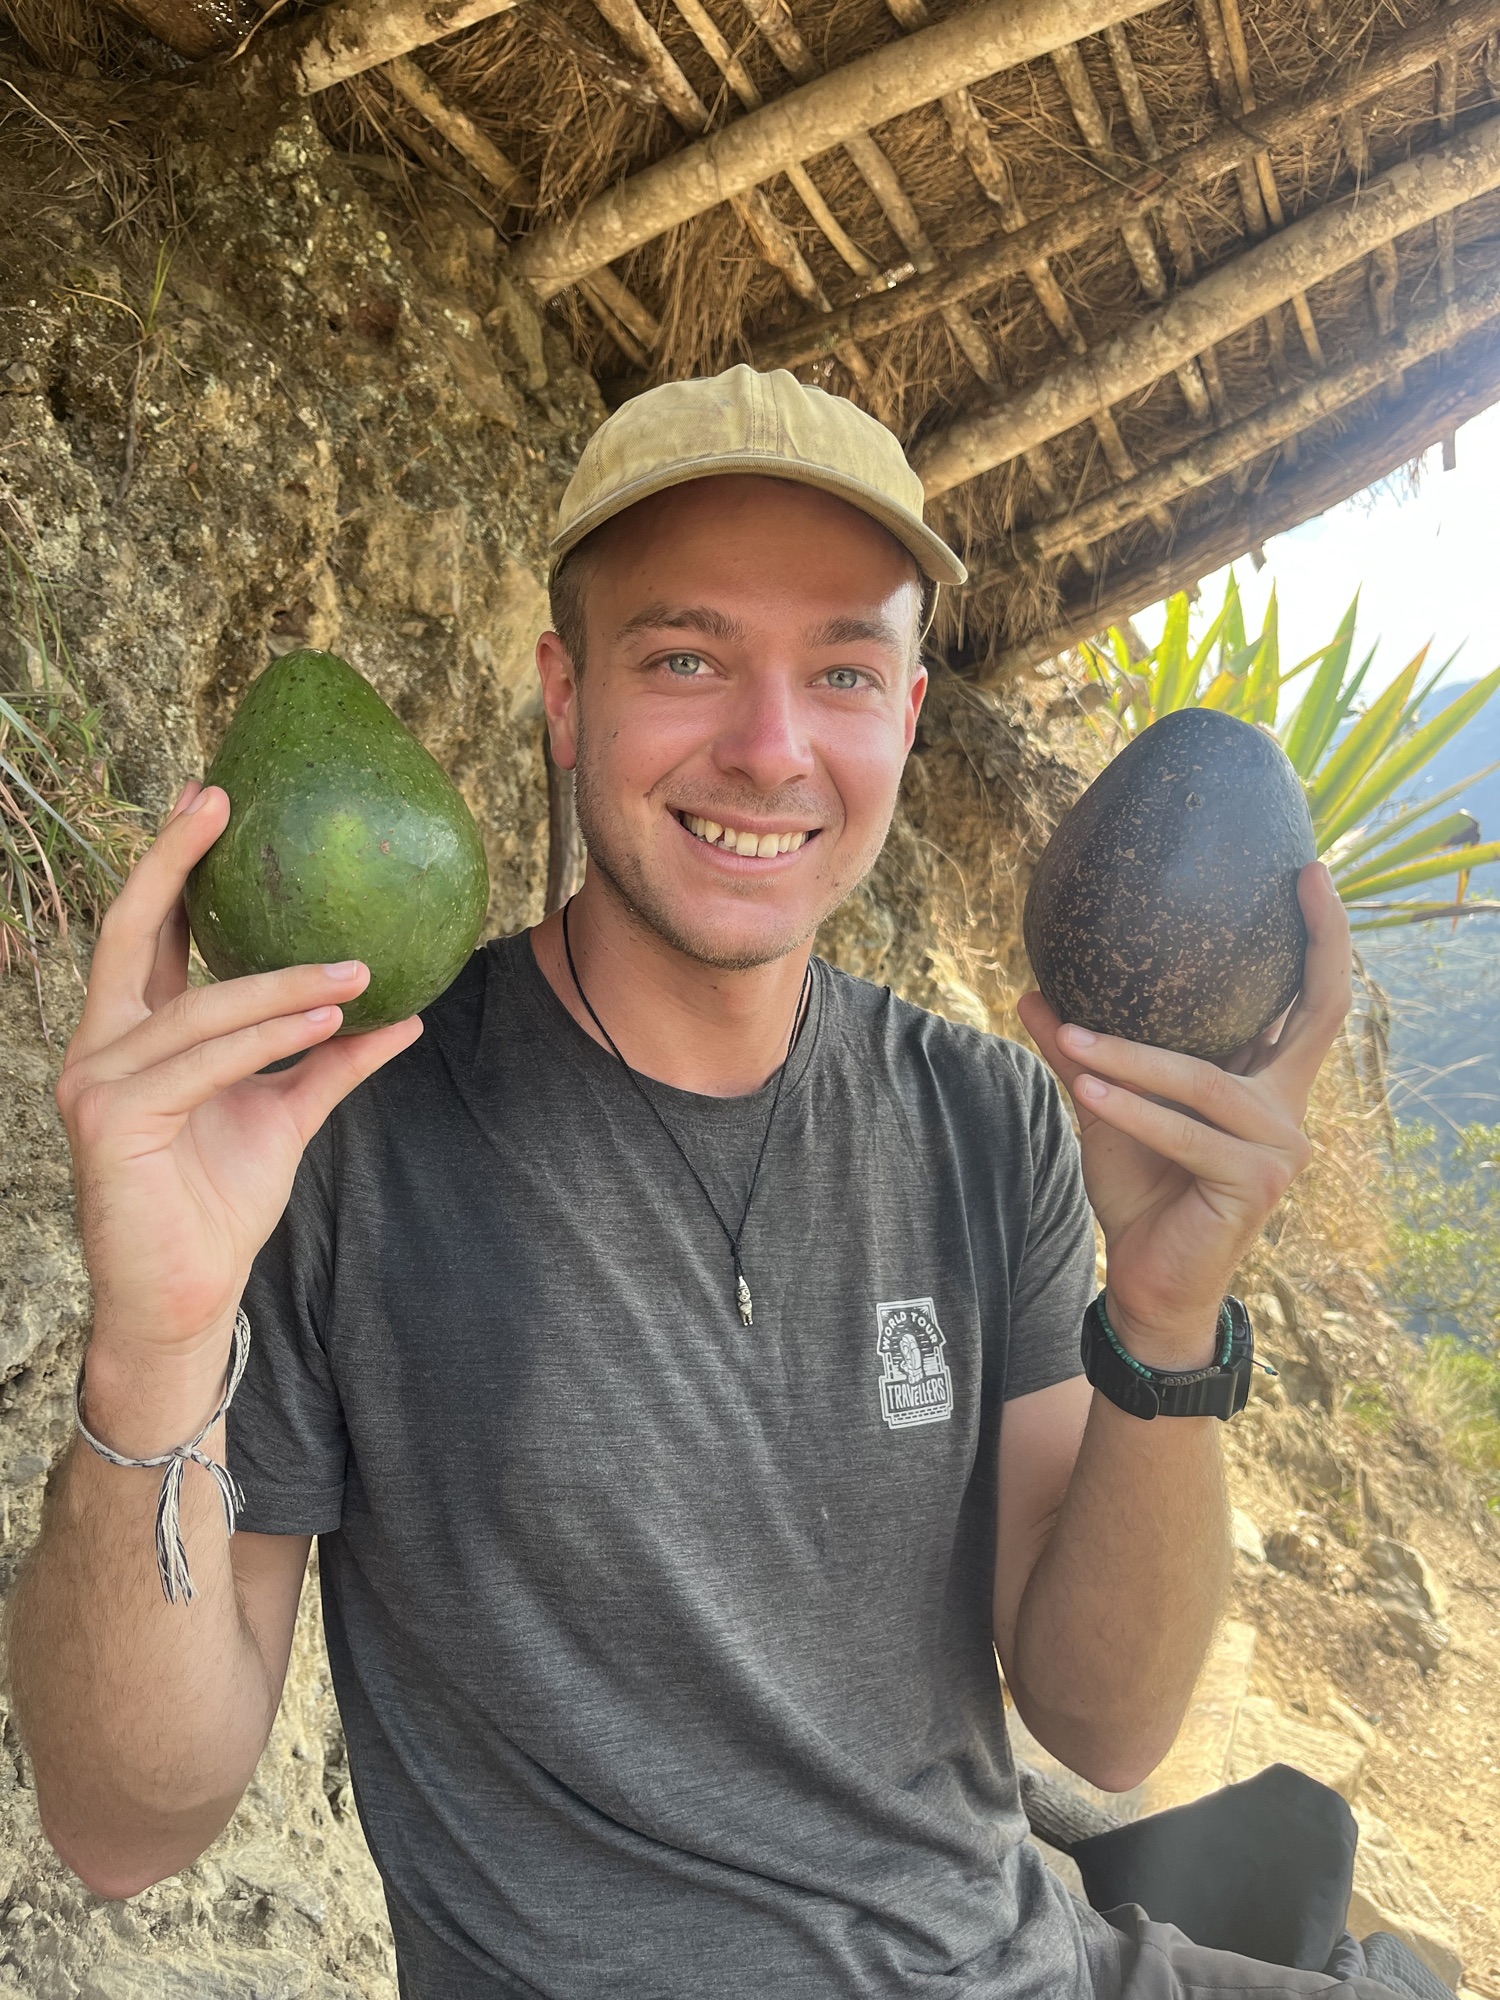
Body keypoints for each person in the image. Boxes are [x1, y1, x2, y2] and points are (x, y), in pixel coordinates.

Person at [10, 366, 1376, 2000]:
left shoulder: (989, 1114)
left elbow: (1106, 1725)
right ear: (565, 697)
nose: (770, 749)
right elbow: (122, 1829)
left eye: (842, 673)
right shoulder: (348, 1133)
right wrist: (155, 1339)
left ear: (906, 721)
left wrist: (1163, 1320)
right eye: (685, 659)